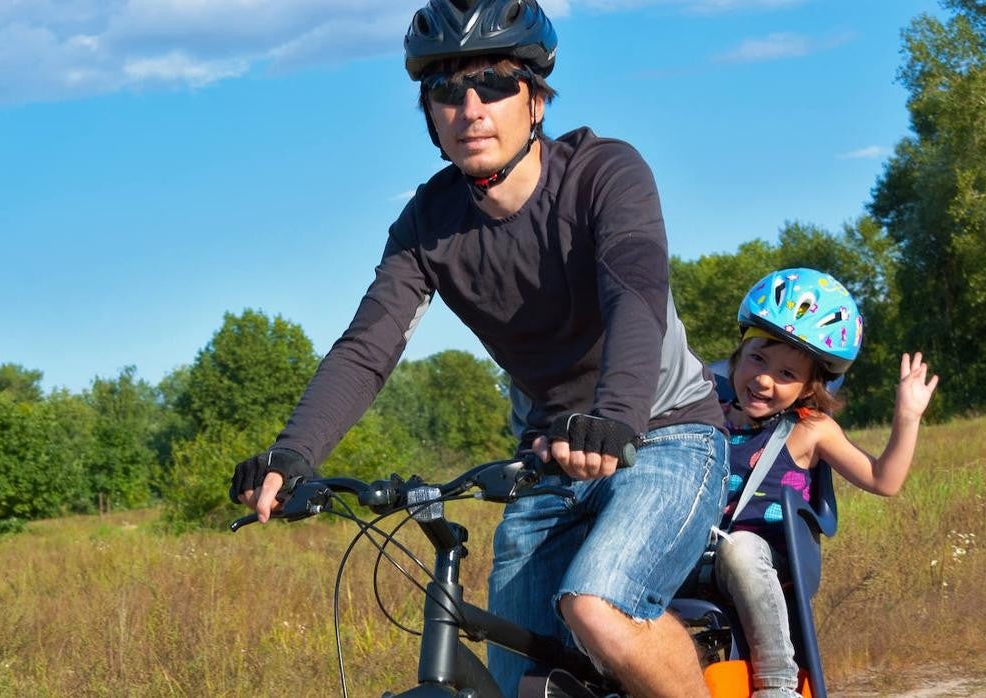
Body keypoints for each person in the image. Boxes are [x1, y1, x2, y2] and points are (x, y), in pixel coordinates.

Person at [228, 1, 729, 696]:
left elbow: (634, 296)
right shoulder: (427, 226)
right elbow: (368, 347)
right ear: (430, 115)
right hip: (552, 460)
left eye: (493, 83)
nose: (470, 107)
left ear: (537, 100)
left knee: (599, 608)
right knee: (521, 676)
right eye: (445, 90)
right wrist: (293, 453)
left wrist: (618, 414)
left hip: (668, 433)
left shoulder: (605, 174)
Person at [713, 267, 939, 697]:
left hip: (769, 557)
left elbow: (882, 479)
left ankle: (778, 683)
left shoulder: (810, 428)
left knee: (739, 548)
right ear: (736, 358)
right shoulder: (709, 415)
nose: (764, 379)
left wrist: (907, 417)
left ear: (808, 387)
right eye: (757, 358)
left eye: (785, 374)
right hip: (698, 548)